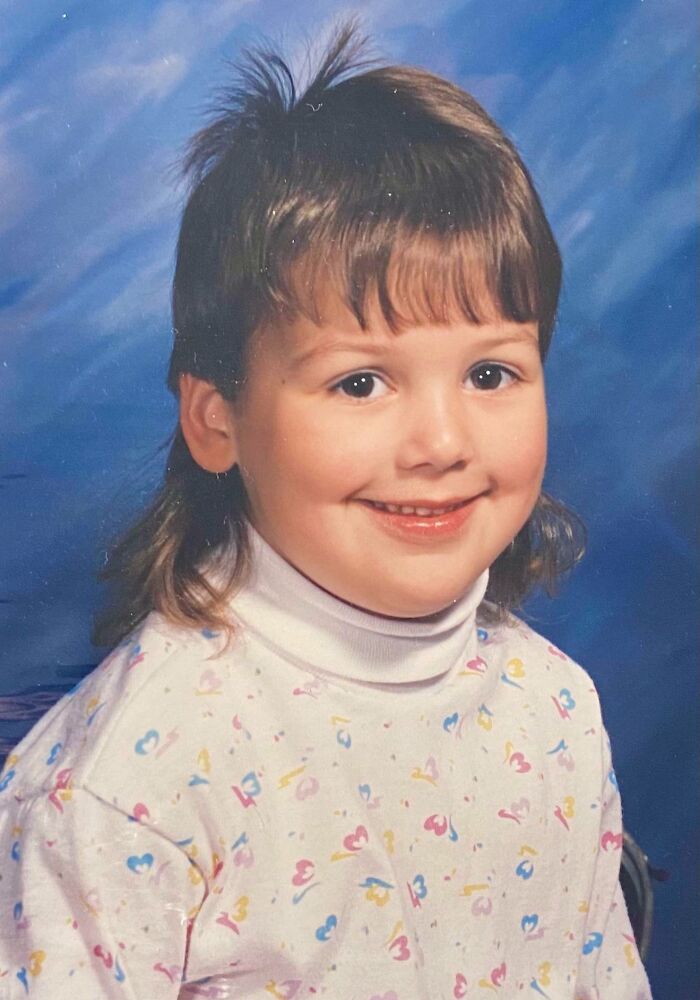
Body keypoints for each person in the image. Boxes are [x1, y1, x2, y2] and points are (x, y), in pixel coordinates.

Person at [0, 22, 652, 1000]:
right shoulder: (136, 779)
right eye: (359, 383)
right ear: (217, 419)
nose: (441, 441)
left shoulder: (553, 711)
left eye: (489, 371)